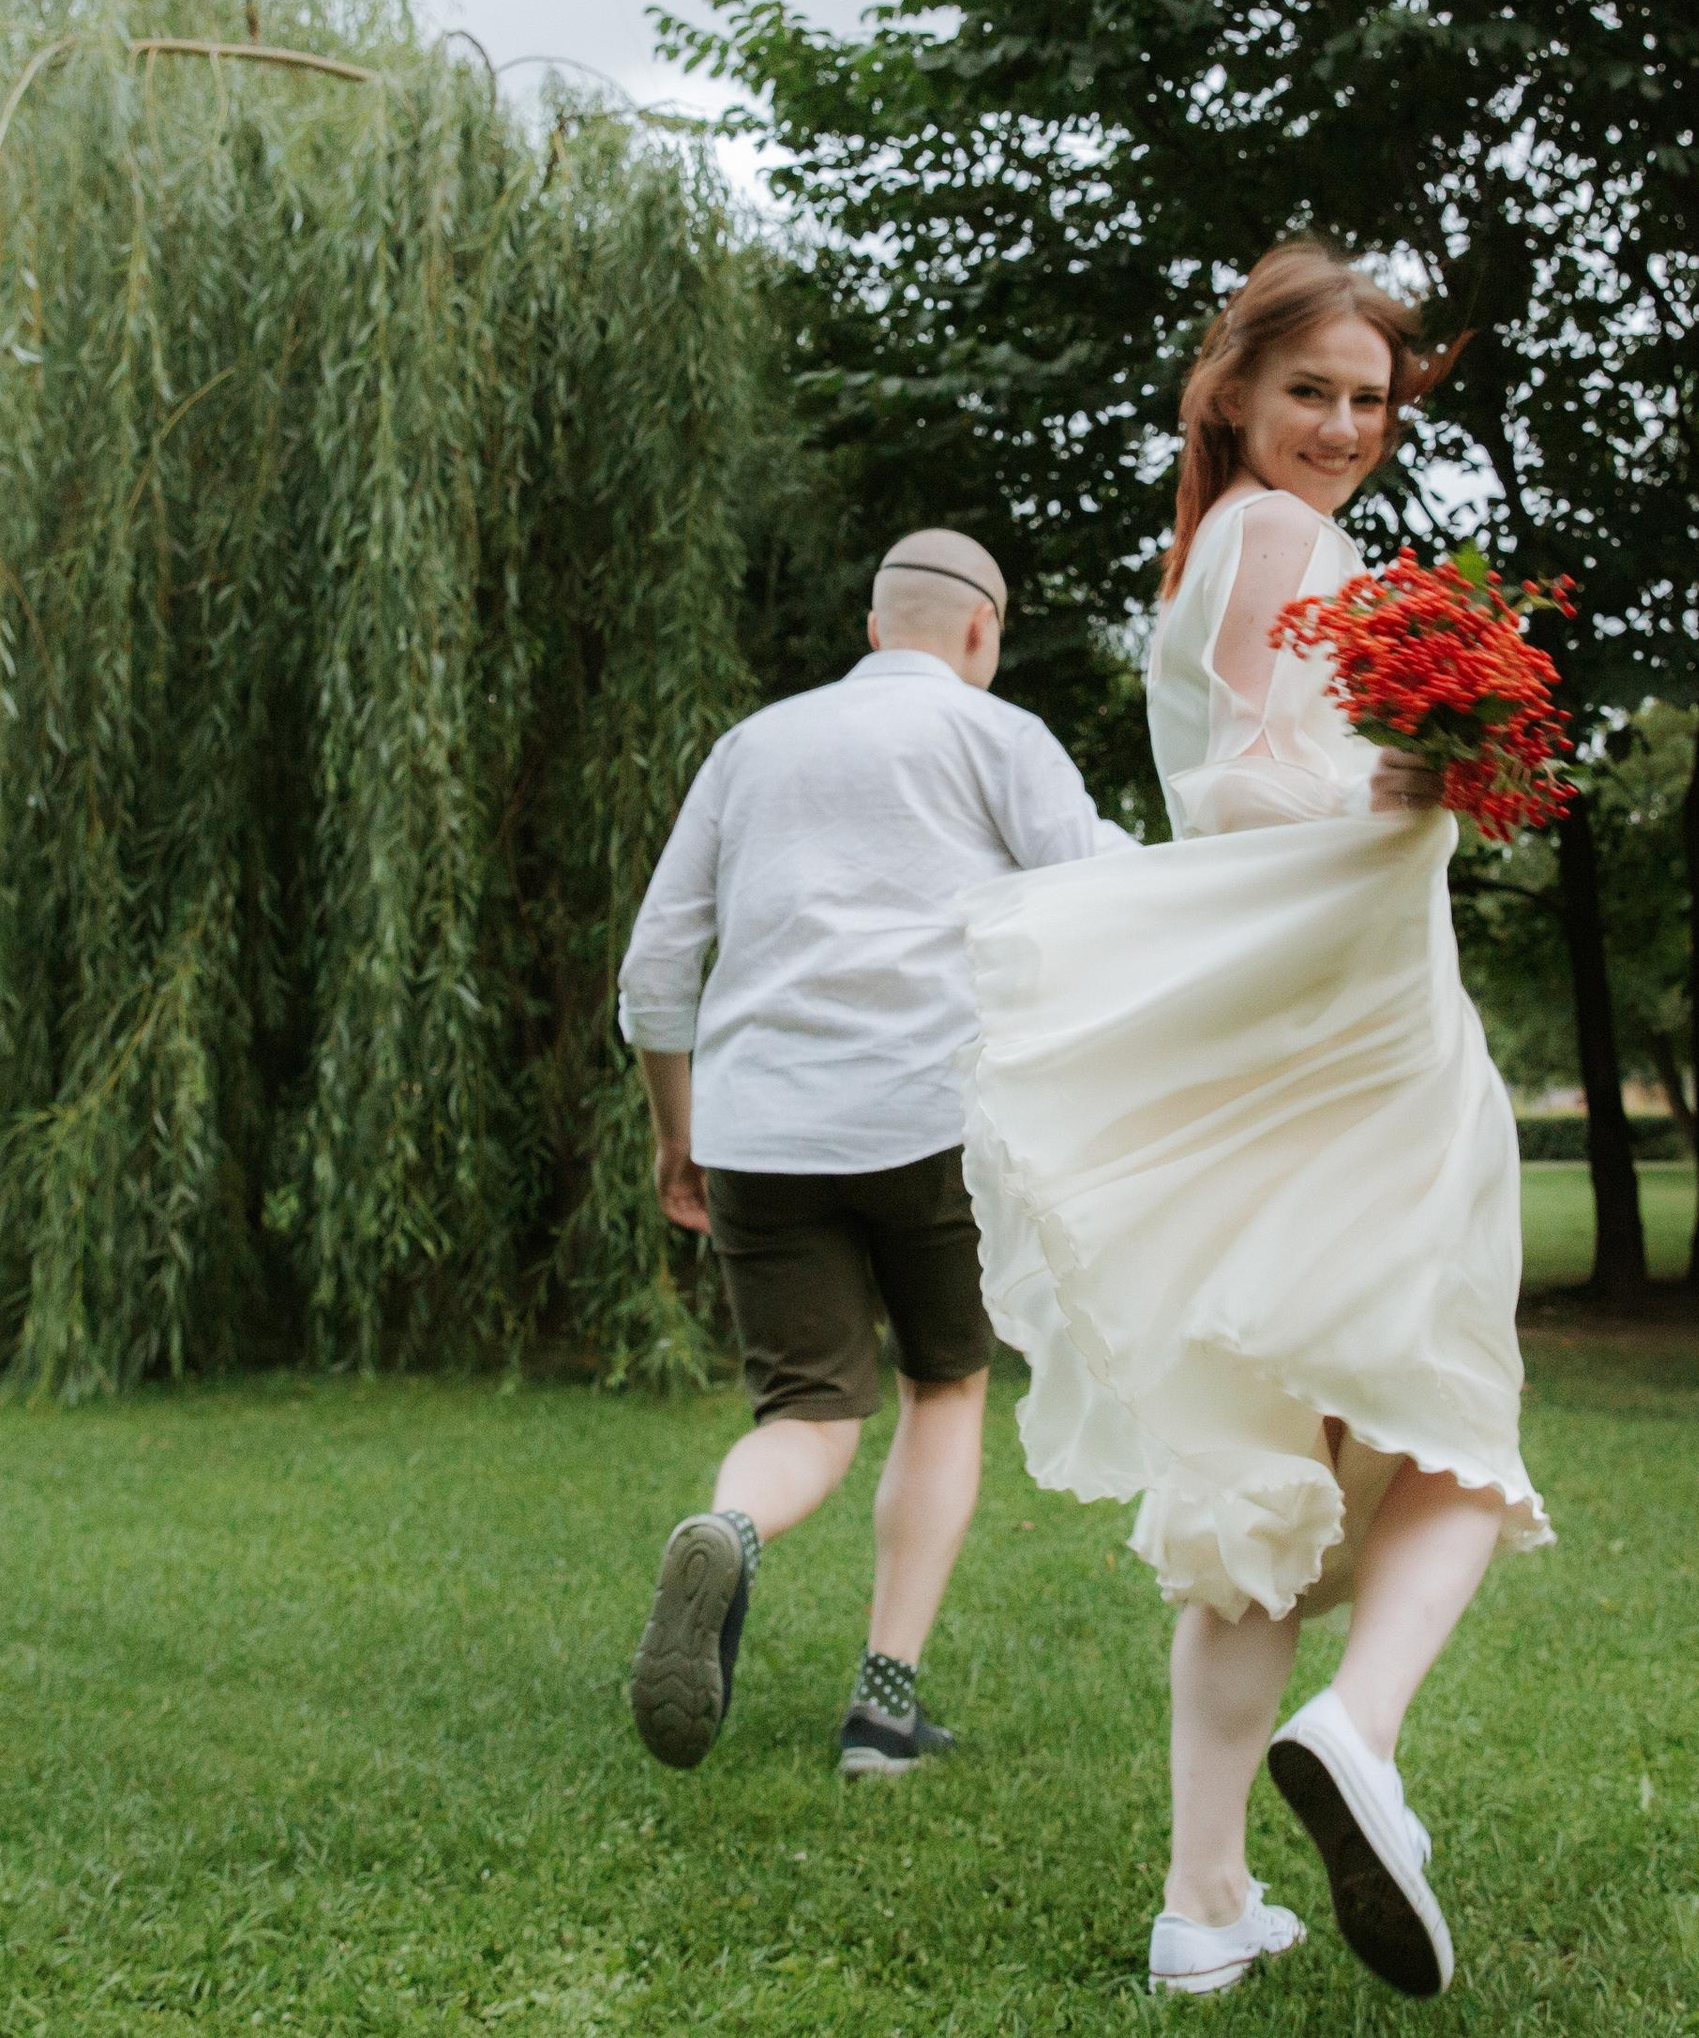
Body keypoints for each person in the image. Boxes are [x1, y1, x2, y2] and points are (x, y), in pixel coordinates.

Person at [960, 245, 1551, 1999]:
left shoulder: (1220, 542)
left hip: (1287, 1026)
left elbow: (1228, 766)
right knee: (1450, 1420)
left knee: (1265, 1496)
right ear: (1234, 393)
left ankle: (1203, 1907)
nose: (1347, 428)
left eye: (1372, 402)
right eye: (1314, 393)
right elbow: (1247, 787)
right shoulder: (1284, 542)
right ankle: (1359, 1734)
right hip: (1353, 1026)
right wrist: (1400, 786)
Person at [617, 529, 1130, 1779]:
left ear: (871, 630)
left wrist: (677, 1133)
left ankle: (730, 1526)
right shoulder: (998, 737)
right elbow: (1098, 900)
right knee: (942, 1387)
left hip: (761, 1126)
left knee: (806, 1408)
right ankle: (881, 1711)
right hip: (932, 1122)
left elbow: (651, 972)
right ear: (979, 632)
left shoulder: (750, 747)